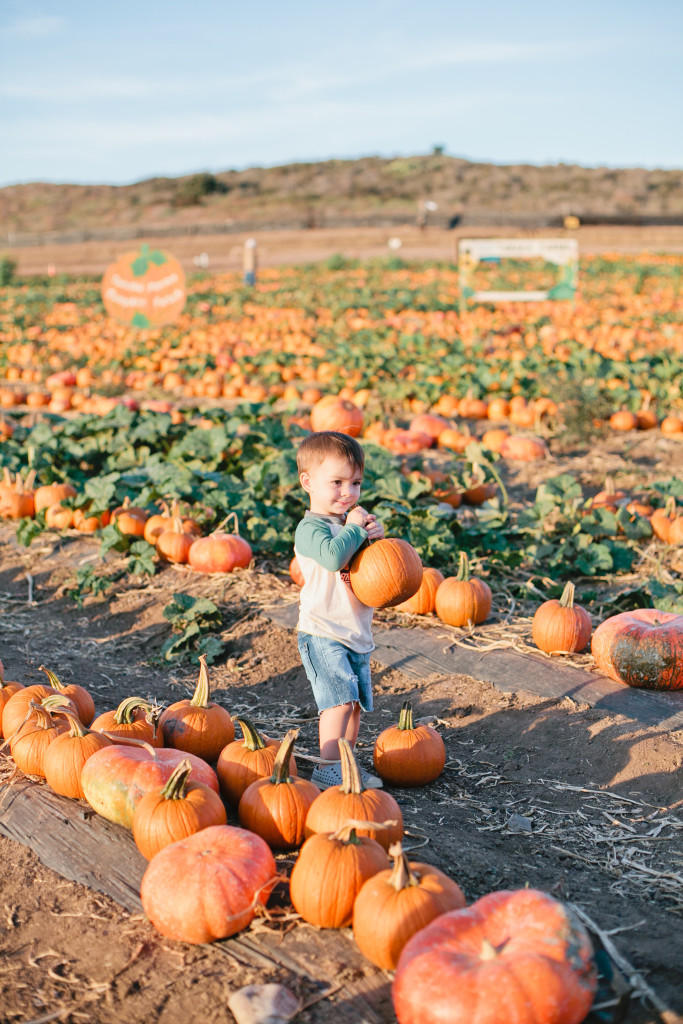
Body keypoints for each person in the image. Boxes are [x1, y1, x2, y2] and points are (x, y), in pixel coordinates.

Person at [294, 430, 385, 790]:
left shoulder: (348, 527)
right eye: (337, 482)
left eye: (356, 483)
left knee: (355, 705)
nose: (348, 492)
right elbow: (334, 558)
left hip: (355, 631)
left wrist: (375, 537)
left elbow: (376, 573)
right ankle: (327, 768)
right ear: (308, 482)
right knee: (339, 703)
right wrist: (355, 529)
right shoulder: (309, 529)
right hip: (323, 630)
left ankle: (346, 764)